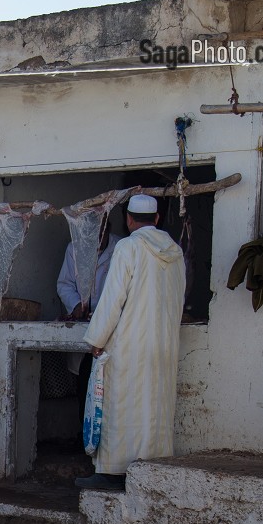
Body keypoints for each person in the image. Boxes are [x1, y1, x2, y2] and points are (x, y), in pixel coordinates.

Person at [75, 194, 185, 491]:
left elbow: (113, 300)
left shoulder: (127, 247)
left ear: (129, 219)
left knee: (121, 406)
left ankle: (113, 473)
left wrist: (97, 339)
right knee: (154, 407)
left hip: (130, 344)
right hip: (163, 345)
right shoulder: (175, 252)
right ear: (158, 219)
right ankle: (153, 471)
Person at [57, 225, 123, 434]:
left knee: (110, 388)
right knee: (85, 385)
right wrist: (77, 304)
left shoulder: (122, 247)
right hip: (83, 321)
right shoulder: (74, 248)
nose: (97, 238)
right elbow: (64, 283)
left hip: (114, 323)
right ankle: (85, 440)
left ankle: (106, 441)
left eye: (102, 233)